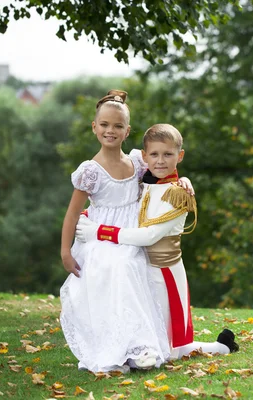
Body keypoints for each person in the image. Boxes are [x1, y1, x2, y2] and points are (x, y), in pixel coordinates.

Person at [75, 123, 239, 360]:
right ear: (144, 157)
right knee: (144, 328)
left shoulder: (178, 193)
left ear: (179, 156)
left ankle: (222, 346)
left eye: (167, 154)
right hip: (140, 267)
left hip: (164, 272)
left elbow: (148, 235)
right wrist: (92, 214)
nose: (160, 160)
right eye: (154, 154)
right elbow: (122, 205)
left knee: (169, 348)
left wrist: (99, 231)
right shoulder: (145, 183)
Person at [60, 91, 193, 373]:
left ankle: (140, 346)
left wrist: (184, 179)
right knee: (115, 270)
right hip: (100, 237)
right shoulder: (90, 171)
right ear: (94, 127)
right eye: (105, 125)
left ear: (127, 131)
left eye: (118, 126)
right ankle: (113, 352)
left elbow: (166, 168)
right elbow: (72, 213)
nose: (111, 130)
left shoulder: (137, 161)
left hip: (131, 231)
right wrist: (65, 251)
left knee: (135, 272)